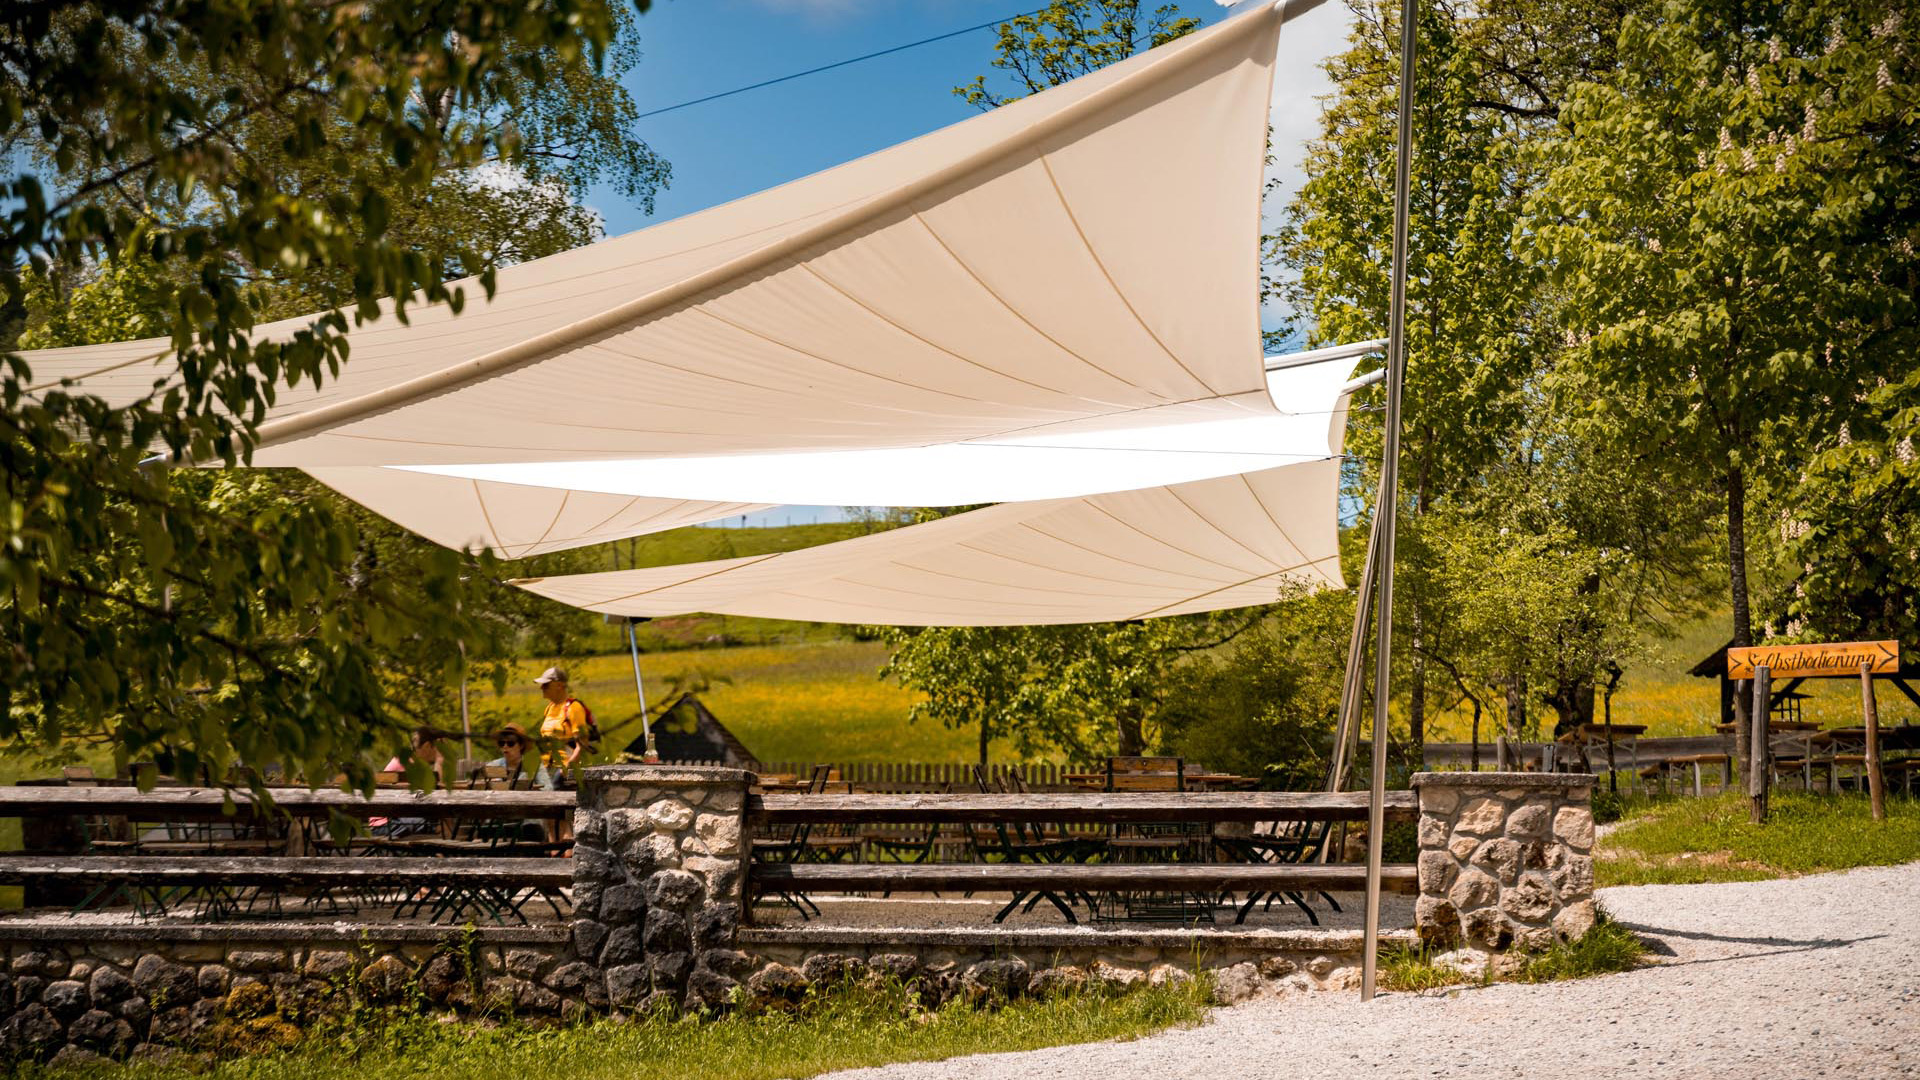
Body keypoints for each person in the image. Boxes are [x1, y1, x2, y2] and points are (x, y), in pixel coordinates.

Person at [533, 667, 594, 779]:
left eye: (546, 685)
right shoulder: (549, 708)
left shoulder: (574, 708)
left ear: (559, 686)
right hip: (548, 768)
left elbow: (582, 745)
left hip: (565, 771)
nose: (541, 687)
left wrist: (566, 771)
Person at [486, 723, 554, 791]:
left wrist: (533, 791)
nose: (505, 746)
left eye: (510, 743)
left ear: (521, 746)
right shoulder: (494, 765)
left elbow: (549, 788)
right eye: (501, 743)